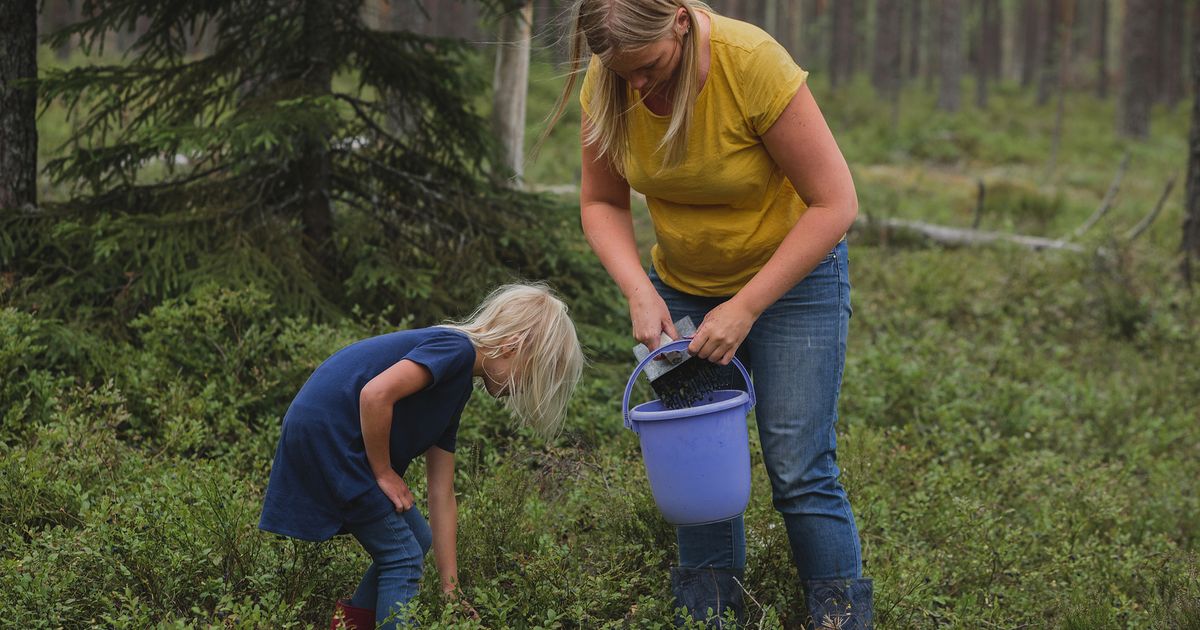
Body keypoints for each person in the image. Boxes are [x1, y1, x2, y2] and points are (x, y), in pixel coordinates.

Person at [543, 1, 872, 627]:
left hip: (795, 283)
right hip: (683, 288)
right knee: (697, 457)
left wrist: (746, 306)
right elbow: (602, 200)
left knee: (798, 464)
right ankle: (709, 616)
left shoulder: (751, 64)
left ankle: (839, 616)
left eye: (648, 66)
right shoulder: (611, 79)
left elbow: (835, 202)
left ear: (679, 23)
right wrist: (639, 289)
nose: (637, 84)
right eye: (622, 72)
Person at [258, 283, 584, 628]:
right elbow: (374, 395)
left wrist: (450, 587)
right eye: (531, 373)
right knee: (402, 556)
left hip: (335, 438)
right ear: (512, 345)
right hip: (330, 437)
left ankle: (351, 625)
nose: (525, 388)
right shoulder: (455, 349)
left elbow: (442, 492)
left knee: (417, 539)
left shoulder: (455, 387)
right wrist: (383, 472)